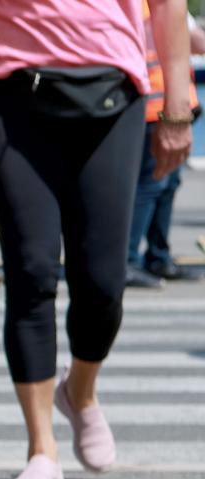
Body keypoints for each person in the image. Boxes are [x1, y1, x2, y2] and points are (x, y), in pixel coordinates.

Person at [0, 0, 193, 479]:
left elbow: (167, 7)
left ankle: (80, 392)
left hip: (113, 97)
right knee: (31, 270)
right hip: (9, 94)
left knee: (103, 284)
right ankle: (42, 452)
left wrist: (178, 112)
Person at [126, 4, 202, 288]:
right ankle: (128, 259)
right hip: (153, 106)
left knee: (167, 185)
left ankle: (158, 256)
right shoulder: (147, 7)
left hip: (169, 104)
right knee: (149, 186)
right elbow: (195, 41)